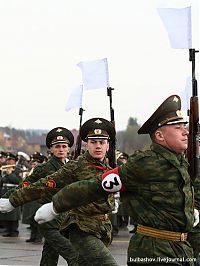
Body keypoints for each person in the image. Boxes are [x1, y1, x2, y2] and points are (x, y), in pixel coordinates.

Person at [32, 95, 198, 265]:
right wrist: (54, 206)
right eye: (178, 127)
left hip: (179, 247)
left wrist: (188, 209)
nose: (185, 132)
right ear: (160, 135)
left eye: (184, 126)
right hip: (153, 250)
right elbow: (95, 186)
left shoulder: (180, 163)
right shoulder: (145, 163)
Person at [0, 118, 118, 266]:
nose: (98, 146)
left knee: (53, 257)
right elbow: (41, 185)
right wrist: (11, 200)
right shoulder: (75, 166)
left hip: (100, 227)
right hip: (74, 225)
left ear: (108, 145)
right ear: (86, 144)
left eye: (102, 142)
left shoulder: (109, 166)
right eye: (94, 142)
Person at [0, 127, 79, 266]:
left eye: (64, 146)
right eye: (57, 146)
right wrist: (7, 199)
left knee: (49, 255)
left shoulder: (73, 167)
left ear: (68, 149)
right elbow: (25, 186)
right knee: (73, 254)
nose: (61, 149)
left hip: (67, 218)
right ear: (51, 150)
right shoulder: (44, 168)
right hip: (50, 219)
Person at [0, 152, 22, 237]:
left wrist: (10, 174)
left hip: (14, 192)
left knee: (13, 213)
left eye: (11, 160)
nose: (9, 162)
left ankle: (14, 230)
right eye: (8, 160)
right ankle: (8, 230)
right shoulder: (4, 169)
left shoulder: (18, 169)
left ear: (15, 161)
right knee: (6, 213)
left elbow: (19, 181)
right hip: (4, 192)